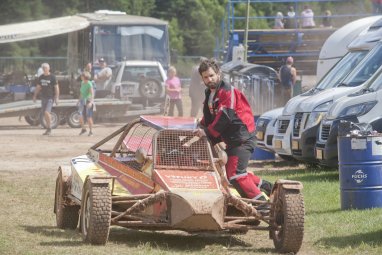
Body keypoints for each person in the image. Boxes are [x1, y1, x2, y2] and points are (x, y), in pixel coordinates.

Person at [194, 58, 272, 202]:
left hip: (242, 138)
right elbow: (209, 116)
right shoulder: (210, 94)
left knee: (235, 175)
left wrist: (208, 132)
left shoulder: (227, 91)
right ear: (202, 79)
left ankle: (262, 205)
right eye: (206, 77)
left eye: (211, 75)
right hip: (232, 139)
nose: (209, 79)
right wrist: (199, 125)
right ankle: (268, 187)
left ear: (218, 73)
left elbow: (225, 115)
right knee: (235, 174)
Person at [33, 63, 59, 135]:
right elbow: (38, 87)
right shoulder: (41, 77)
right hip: (43, 97)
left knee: (47, 112)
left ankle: (50, 128)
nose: (45, 69)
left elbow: (56, 88)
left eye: (46, 68)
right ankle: (48, 129)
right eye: (43, 68)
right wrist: (35, 95)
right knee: (44, 113)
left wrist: (57, 97)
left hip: (50, 97)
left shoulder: (53, 77)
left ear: (49, 68)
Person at [78, 71, 95, 136]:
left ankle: (91, 131)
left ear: (84, 77)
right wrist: (78, 100)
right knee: (80, 115)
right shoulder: (82, 83)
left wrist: (91, 102)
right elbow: (81, 93)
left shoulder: (89, 84)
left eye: (82, 76)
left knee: (89, 117)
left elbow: (92, 94)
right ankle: (83, 129)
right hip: (82, 101)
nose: (81, 77)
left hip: (88, 100)